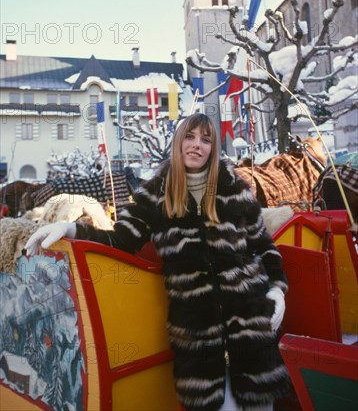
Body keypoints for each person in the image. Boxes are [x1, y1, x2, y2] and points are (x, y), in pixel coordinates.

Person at [26, 113, 290, 411]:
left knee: (260, 405)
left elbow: (263, 245)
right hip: (198, 331)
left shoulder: (235, 189)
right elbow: (121, 239)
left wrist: (277, 290)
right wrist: (70, 229)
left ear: (214, 148)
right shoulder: (155, 194)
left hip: (251, 321)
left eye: (206, 140)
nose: (196, 146)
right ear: (178, 143)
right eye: (189, 137)